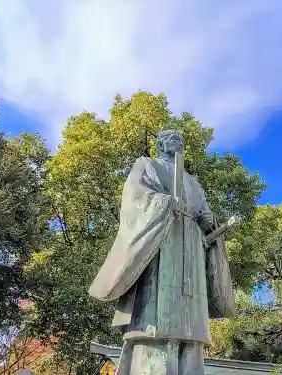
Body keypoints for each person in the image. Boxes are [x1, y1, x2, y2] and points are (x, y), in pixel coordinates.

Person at [89, 128, 235, 375]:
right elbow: (135, 199)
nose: (177, 141)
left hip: (192, 255)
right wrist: (166, 204)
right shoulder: (147, 165)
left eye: (180, 139)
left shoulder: (193, 182)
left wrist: (208, 220)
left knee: (191, 330)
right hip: (162, 248)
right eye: (171, 138)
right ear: (159, 145)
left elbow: (203, 212)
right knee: (156, 326)